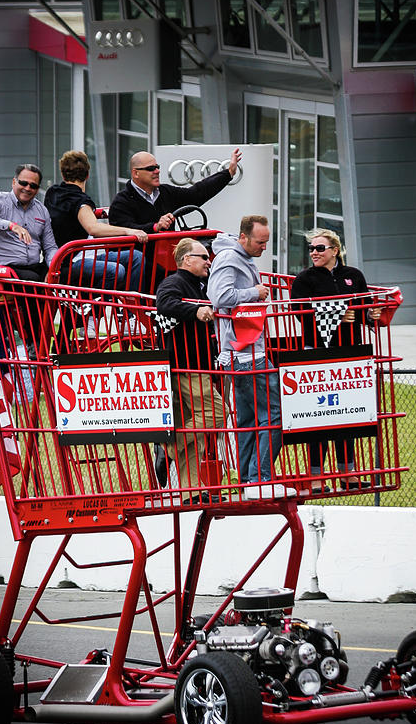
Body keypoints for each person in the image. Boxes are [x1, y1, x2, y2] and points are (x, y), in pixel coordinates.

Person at [207, 215, 296, 500]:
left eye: (266, 242)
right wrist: (254, 293)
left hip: (242, 351)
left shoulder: (239, 257)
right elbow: (219, 296)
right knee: (274, 414)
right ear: (243, 238)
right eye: (260, 242)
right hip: (246, 352)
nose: (263, 247)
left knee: (250, 419)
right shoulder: (230, 259)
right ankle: (260, 478)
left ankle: (249, 479)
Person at [291, 228, 381, 491]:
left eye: (320, 248)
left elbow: (362, 307)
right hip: (317, 352)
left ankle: (348, 473)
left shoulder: (353, 275)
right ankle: (316, 476)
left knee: (348, 413)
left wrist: (370, 315)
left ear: (335, 250)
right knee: (318, 417)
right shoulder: (304, 279)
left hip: (350, 353)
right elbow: (299, 312)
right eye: (312, 249)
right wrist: (337, 314)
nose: (314, 253)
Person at [155, 238, 225, 505]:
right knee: (217, 412)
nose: (209, 261)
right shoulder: (174, 282)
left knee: (192, 424)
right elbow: (165, 304)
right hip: (187, 364)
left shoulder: (199, 284)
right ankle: (169, 449)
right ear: (187, 260)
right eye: (203, 256)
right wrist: (196, 311)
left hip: (196, 363)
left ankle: (191, 490)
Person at [0, 163, 57, 348]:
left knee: (64, 275)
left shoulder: (41, 210)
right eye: (23, 183)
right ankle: (35, 342)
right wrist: (10, 225)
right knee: (34, 283)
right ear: (13, 182)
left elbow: (50, 247)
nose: (27, 188)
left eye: (33, 185)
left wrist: (54, 267)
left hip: (33, 266)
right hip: (3, 268)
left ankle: (63, 338)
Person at [44, 150, 147, 292]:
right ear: (87, 175)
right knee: (116, 270)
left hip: (70, 256)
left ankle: (130, 307)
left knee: (136, 257)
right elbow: (93, 228)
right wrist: (129, 230)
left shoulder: (52, 192)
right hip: (73, 260)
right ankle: (95, 310)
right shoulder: (81, 201)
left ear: (63, 174)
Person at [108, 147, 242, 235]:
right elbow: (125, 229)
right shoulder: (121, 202)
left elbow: (196, 194)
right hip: (143, 263)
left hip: (169, 259)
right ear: (135, 173)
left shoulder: (165, 192)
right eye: (151, 169)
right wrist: (155, 226)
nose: (157, 171)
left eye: (157, 167)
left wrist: (228, 173)